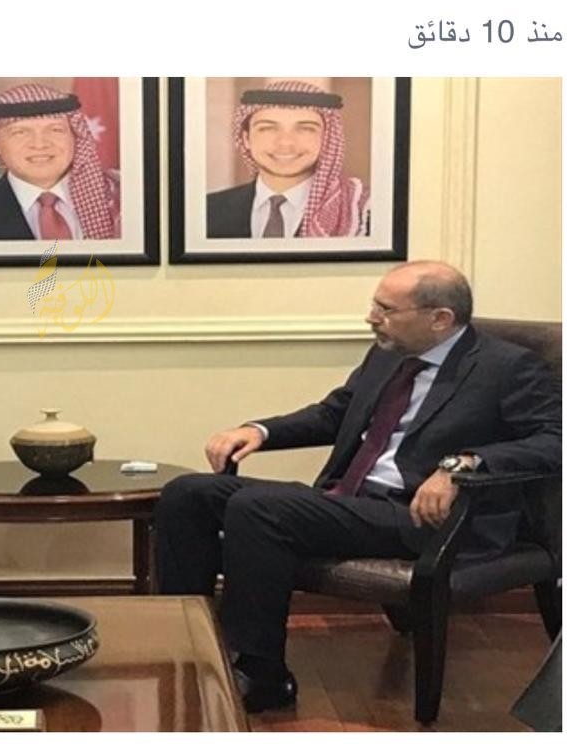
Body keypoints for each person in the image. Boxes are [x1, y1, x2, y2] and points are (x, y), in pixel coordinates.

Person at [155, 261, 560, 713]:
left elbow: (556, 440)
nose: (372, 317)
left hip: (425, 516)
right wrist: (260, 430)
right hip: (355, 501)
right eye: (375, 305)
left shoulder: (508, 367)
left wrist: (464, 464)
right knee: (187, 494)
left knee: (259, 507)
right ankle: (186, 648)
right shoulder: (389, 354)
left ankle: (263, 674)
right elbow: (336, 413)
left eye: (386, 309)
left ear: (440, 318)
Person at [206, 80, 370, 239]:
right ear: (246, 139)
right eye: (268, 128)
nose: (285, 143)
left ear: (326, 139)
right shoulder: (206, 210)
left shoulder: (363, 213)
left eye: (305, 129)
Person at [0, 82, 120, 241]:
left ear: (75, 136)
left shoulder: (119, 201)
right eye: (20, 132)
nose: (40, 144)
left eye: (55, 130)